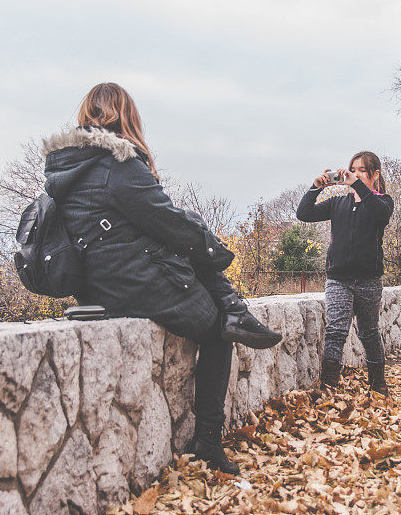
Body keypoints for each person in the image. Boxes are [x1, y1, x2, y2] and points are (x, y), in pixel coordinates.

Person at [41, 82, 282, 475]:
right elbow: (165, 221)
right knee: (219, 328)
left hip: (92, 284)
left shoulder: (65, 166)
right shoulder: (118, 163)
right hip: (132, 282)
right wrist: (212, 247)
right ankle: (207, 440)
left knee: (192, 236)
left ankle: (235, 305)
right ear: (126, 115)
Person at [296, 151, 394, 396]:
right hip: (338, 278)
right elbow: (304, 214)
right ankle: (328, 387)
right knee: (336, 331)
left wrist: (357, 184)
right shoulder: (339, 202)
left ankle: (378, 385)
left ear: (375, 174)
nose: (356, 174)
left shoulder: (383, 201)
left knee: (369, 332)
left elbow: (378, 213)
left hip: (369, 279)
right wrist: (315, 187)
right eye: (353, 169)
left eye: (362, 170)